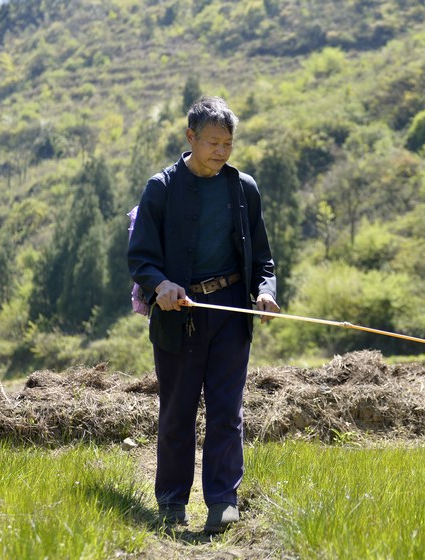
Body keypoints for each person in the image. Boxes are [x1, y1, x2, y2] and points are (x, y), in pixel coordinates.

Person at [127, 96, 279, 533]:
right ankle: (172, 502)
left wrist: (264, 293)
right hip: (179, 315)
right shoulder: (161, 188)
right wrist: (162, 285)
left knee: (227, 410)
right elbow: (140, 258)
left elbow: (263, 260)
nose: (221, 151)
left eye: (228, 143)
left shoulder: (243, 189)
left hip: (230, 311)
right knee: (177, 409)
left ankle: (222, 501)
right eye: (212, 142)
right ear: (190, 137)